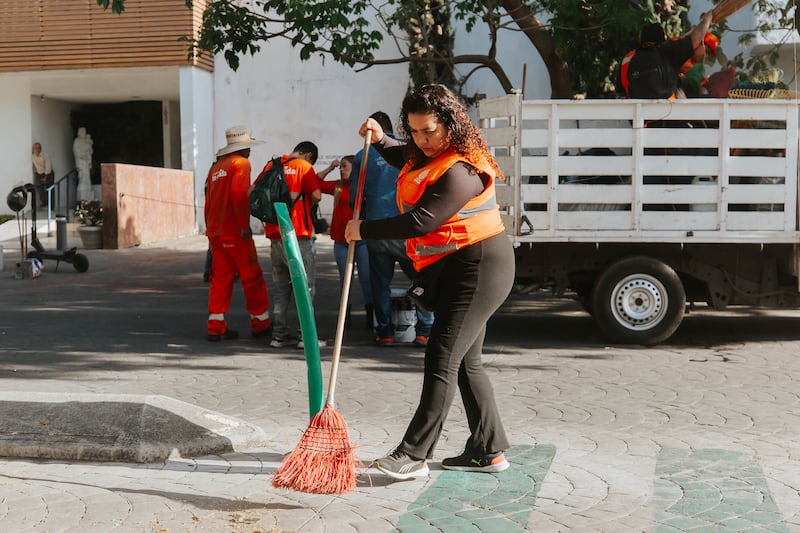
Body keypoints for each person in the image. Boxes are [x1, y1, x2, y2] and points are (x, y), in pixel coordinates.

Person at [344, 84, 516, 480]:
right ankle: (487, 450)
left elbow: (423, 220)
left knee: (441, 355)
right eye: (416, 131)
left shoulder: (462, 169)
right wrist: (381, 136)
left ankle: (413, 454)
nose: (422, 140)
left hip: (481, 267)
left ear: (451, 125)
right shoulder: (425, 154)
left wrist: (363, 229)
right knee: (467, 362)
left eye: (430, 131)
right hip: (459, 267)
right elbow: (398, 152)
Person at [350, 111, 433, 347]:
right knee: (420, 279)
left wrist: (362, 223)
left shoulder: (362, 155)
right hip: (406, 229)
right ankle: (424, 330)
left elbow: (355, 196)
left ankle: (385, 331)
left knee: (380, 283)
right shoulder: (410, 151)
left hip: (377, 230)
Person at [204, 125, 272, 342]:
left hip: (216, 232)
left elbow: (209, 201)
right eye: (248, 147)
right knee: (251, 277)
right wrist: (244, 226)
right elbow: (238, 196)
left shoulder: (216, 168)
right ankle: (260, 324)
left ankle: (216, 326)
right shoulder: (241, 163)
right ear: (241, 148)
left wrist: (210, 228)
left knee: (221, 278)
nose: (250, 151)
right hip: (235, 231)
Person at [262, 141, 326, 349]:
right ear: (308, 155)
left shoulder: (271, 165)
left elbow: (253, 190)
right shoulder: (304, 167)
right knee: (305, 288)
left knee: (281, 289)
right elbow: (316, 195)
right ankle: (304, 337)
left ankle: (278, 336)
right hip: (299, 235)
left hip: (275, 235)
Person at [319, 155, 373, 329]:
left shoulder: (362, 187)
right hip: (341, 241)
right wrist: (329, 168)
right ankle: (345, 316)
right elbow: (314, 183)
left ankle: (370, 316)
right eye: (341, 167)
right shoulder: (337, 186)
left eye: (345, 166)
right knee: (345, 279)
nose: (341, 170)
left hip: (361, 241)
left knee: (366, 278)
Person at [619, 11, 713, 99]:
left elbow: (620, 89)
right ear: (661, 41)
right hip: (666, 111)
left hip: (636, 110)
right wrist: (707, 18)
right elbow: (696, 37)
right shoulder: (666, 52)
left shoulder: (630, 57)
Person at [73, 127, 94, 201]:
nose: (83, 133)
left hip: (85, 161)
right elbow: (76, 150)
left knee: (86, 175)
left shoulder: (86, 141)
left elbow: (90, 149)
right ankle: (83, 186)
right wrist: (83, 153)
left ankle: (87, 187)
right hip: (81, 160)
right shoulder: (77, 141)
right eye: (82, 131)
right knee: (82, 175)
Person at [31, 142, 54, 208]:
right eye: (36, 148)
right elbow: (33, 166)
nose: (38, 149)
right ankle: (44, 202)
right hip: (39, 173)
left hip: (49, 173)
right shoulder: (32, 156)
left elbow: (48, 166)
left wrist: (46, 176)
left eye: (39, 148)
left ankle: (51, 205)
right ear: (33, 149)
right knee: (39, 186)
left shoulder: (45, 155)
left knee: (50, 188)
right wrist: (36, 172)